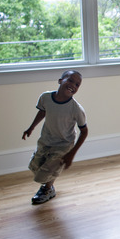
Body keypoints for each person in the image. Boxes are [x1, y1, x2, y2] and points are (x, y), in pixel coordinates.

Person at [22, 70, 88, 204]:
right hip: (46, 139)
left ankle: (47, 188)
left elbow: (84, 131)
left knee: (47, 171)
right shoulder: (46, 97)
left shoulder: (76, 109)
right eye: (70, 80)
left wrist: (71, 154)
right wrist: (31, 127)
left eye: (77, 84)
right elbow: (43, 111)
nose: (73, 85)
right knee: (35, 166)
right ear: (60, 81)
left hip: (64, 143)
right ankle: (49, 185)